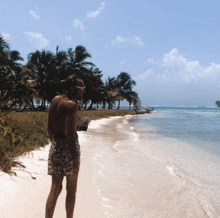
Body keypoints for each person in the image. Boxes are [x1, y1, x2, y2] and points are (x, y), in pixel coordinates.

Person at [45, 75, 85, 218]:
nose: (83, 92)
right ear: (74, 89)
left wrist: (55, 142)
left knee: (55, 188)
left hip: (56, 146)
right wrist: (74, 158)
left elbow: (50, 126)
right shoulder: (72, 105)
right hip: (69, 148)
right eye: (82, 88)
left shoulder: (55, 100)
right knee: (71, 190)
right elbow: (70, 133)